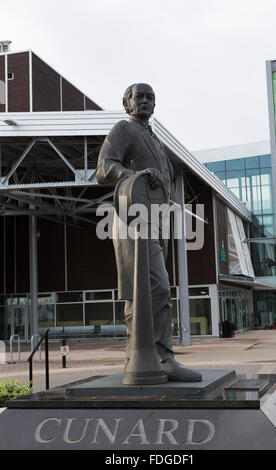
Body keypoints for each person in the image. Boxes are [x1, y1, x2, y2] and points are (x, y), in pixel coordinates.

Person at [96, 83, 202, 382]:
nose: (144, 101)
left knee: (143, 291)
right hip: (133, 217)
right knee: (154, 288)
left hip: (155, 219)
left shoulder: (153, 138)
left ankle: (138, 356)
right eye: (138, 96)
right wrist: (134, 175)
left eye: (150, 97)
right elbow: (104, 168)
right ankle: (161, 357)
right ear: (126, 102)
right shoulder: (124, 129)